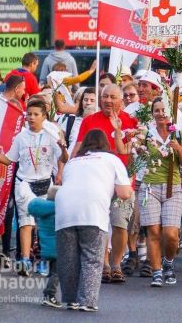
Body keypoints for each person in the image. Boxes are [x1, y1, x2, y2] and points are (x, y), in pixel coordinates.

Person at [0, 99, 69, 276]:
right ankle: (24, 261)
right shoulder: (21, 137)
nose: (31, 118)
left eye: (35, 114)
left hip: (46, 184)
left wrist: (63, 149)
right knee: (26, 223)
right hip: (24, 184)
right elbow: (8, 160)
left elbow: (64, 159)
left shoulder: (52, 135)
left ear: (43, 116)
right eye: (29, 114)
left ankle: (45, 261)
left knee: (45, 224)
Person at [55, 130, 132, 311]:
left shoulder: (73, 161)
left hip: (65, 207)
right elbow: (125, 193)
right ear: (105, 144)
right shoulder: (111, 159)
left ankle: (71, 299)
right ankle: (87, 301)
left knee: (68, 258)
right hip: (92, 209)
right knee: (92, 257)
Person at [71, 84, 136, 283]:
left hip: (121, 183)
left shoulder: (130, 121)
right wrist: (68, 169)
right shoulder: (90, 121)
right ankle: (105, 264)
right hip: (96, 183)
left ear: (121, 100)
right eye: (105, 96)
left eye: (112, 97)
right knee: (100, 225)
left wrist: (131, 177)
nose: (108, 100)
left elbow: (133, 153)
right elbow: (79, 148)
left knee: (120, 224)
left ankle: (116, 264)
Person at [138, 97, 182, 287]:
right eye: (157, 110)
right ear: (152, 113)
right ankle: (157, 271)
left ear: (170, 113)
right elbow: (135, 155)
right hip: (149, 187)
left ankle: (168, 262)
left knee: (171, 234)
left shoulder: (178, 134)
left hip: (172, 187)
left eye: (163, 110)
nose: (160, 113)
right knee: (153, 231)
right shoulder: (146, 134)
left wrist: (177, 148)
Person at [28, 186, 60, 308]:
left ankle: (49, 294)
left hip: (46, 248)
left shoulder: (42, 210)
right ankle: (49, 295)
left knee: (53, 273)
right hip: (57, 248)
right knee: (57, 274)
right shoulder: (58, 210)